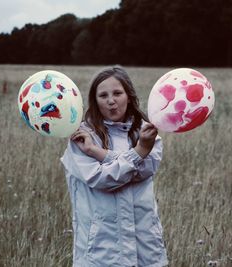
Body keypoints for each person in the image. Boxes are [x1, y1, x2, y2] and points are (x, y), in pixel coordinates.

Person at [60, 66, 168, 267]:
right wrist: (138, 152)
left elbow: (144, 170)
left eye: (117, 93)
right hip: (101, 249)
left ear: (129, 96)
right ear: (94, 100)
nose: (111, 100)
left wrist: (98, 153)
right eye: (103, 95)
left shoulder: (146, 133)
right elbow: (101, 179)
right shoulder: (82, 138)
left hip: (144, 245)